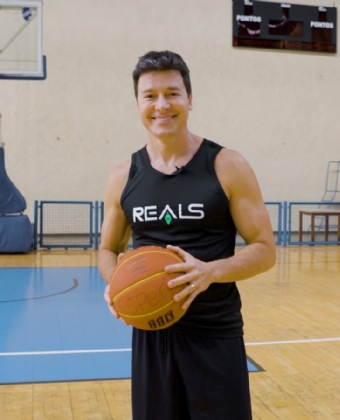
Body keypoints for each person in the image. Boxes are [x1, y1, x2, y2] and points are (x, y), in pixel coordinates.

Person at [97, 50, 276, 420]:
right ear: (137, 104)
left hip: (215, 334)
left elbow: (264, 249)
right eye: (150, 96)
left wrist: (210, 271)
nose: (162, 105)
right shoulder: (123, 176)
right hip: (151, 335)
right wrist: (116, 283)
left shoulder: (227, 165)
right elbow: (107, 249)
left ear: (190, 99)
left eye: (172, 93)